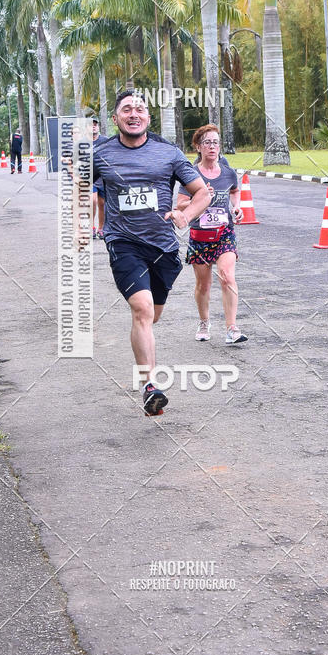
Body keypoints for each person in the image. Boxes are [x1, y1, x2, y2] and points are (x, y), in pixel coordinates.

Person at [92, 91, 211, 416]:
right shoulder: (100, 155)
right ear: (115, 119)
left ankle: (146, 366)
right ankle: (149, 386)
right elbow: (78, 188)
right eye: (126, 109)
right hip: (123, 244)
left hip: (164, 249)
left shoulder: (168, 153)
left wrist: (186, 216)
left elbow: (202, 192)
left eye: (140, 109)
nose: (133, 114)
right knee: (142, 309)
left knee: (152, 314)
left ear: (148, 117)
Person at [177, 124, 248, 344]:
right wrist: (199, 198)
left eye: (216, 142)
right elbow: (180, 204)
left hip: (224, 232)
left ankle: (232, 329)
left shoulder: (227, 172)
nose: (212, 146)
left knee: (227, 276)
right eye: (207, 142)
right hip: (199, 235)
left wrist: (236, 207)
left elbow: (235, 191)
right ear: (198, 147)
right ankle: (204, 321)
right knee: (203, 284)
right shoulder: (192, 174)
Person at [90, 115, 108, 239]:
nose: (93, 127)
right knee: (93, 201)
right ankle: (91, 228)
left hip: (103, 178)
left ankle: (101, 228)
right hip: (90, 177)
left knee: (102, 204)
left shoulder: (106, 141)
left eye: (95, 124)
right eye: (91, 125)